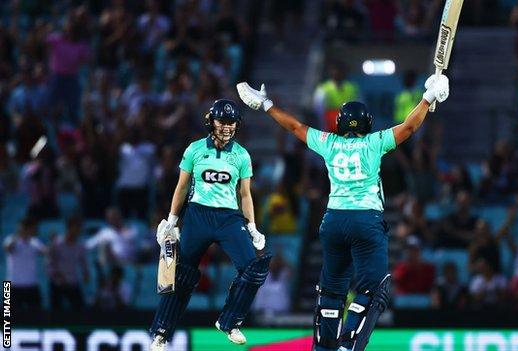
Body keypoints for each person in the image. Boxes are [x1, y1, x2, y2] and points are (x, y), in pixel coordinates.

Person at [237, 73, 449, 351]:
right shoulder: (374, 143)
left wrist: (266, 105)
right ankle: (347, 344)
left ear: (339, 125)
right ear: (367, 124)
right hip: (365, 221)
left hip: (333, 221)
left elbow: (294, 127)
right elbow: (409, 128)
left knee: (332, 291)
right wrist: (428, 98)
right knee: (373, 290)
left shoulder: (329, 142)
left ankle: (324, 347)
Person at [150, 99, 269, 350]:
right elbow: (182, 186)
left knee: (253, 269)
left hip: (229, 218)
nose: (226, 127)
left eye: (231, 122)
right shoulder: (194, 150)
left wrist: (252, 226)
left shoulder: (242, 155)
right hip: (197, 215)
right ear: (211, 122)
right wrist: (172, 220)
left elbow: (245, 194)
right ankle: (161, 333)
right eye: (221, 122)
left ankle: (230, 321)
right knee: (182, 275)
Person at [3, 217, 46, 310]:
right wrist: (19, 235)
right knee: (7, 319)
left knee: (37, 317)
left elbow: (45, 252)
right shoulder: (10, 239)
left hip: (31, 284)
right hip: (11, 285)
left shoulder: (35, 242)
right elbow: (8, 248)